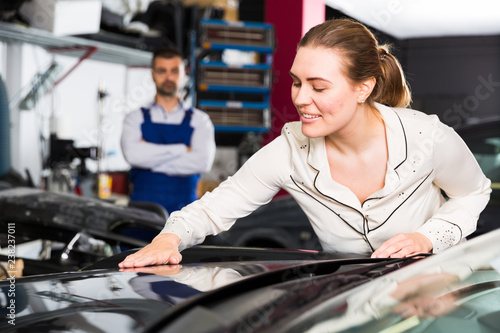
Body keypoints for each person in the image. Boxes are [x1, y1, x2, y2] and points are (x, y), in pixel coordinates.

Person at [119, 19, 491, 268]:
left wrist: (428, 237)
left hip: (434, 290)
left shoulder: (427, 137)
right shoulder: (288, 152)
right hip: (348, 297)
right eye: (297, 82)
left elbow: (474, 193)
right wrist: (169, 239)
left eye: (319, 86)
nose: (300, 98)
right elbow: (213, 209)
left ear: (364, 88)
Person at [121, 46, 216, 214]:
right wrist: (182, 150)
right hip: (140, 216)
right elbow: (133, 155)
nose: (169, 77)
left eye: (174, 71)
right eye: (162, 71)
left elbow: (202, 162)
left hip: (186, 216)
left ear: (184, 74)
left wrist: (150, 159)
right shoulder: (134, 118)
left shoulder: (200, 120)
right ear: (152, 75)